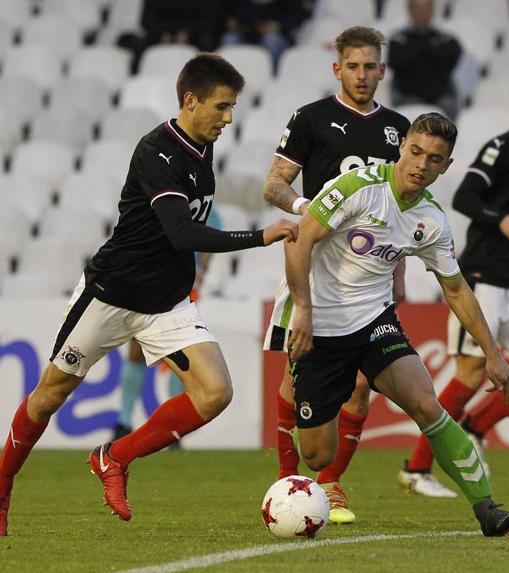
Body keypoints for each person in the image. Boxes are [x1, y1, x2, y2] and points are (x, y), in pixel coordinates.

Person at [0, 53, 297, 536]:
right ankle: (1, 490)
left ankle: (114, 457)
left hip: (166, 303)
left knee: (216, 391)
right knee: (47, 397)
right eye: (221, 107)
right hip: (112, 295)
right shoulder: (156, 151)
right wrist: (258, 236)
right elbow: (182, 233)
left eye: (233, 108)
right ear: (190, 100)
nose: (229, 119)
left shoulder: (202, 145)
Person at [272, 112, 509, 536]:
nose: (421, 165)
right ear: (402, 146)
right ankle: (308, 464)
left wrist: (493, 354)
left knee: (426, 404)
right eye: (416, 152)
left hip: (376, 322)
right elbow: (300, 240)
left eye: (434, 159)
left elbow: (457, 290)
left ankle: (486, 508)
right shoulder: (357, 187)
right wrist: (303, 309)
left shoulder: (432, 219)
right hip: (323, 328)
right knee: (317, 456)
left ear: (446, 166)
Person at [263, 26, 410, 524]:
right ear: (337, 69)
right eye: (353, 66)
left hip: (370, 277)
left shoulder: (399, 130)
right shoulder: (312, 118)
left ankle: (329, 484)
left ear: (382, 70)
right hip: (315, 268)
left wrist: (400, 271)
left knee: (363, 381)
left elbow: (400, 208)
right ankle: (288, 483)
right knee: (295, 375)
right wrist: (308, 209)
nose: (362, 75)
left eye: (370, 67)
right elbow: (274, 184)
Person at [399, 70, 509, 497]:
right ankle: (416, 468)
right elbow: (464, 199)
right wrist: (500, 219)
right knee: (470, 374)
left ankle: (474, 426)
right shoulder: (503, 148)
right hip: (482, 277)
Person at [112, 210, 223, 443]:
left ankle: (175, 427)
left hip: (182, 283)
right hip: (151, 279)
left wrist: (201, 268)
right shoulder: (160, 194)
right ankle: (124, 422)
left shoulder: (201, 200)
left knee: (183, 350)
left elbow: (213, 233)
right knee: (137, 349)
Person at [388, 0, 462, 119]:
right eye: (418, 9)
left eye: (426, 9)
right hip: (409, 97)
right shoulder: (399, 39)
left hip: (440, 97)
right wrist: (430, 53)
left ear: (432, 12)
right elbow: (397, 62)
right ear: (410, 12)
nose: (422, 13)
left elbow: (451, 58)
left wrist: (418, 54)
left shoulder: (445, 39)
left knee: (449, 107)